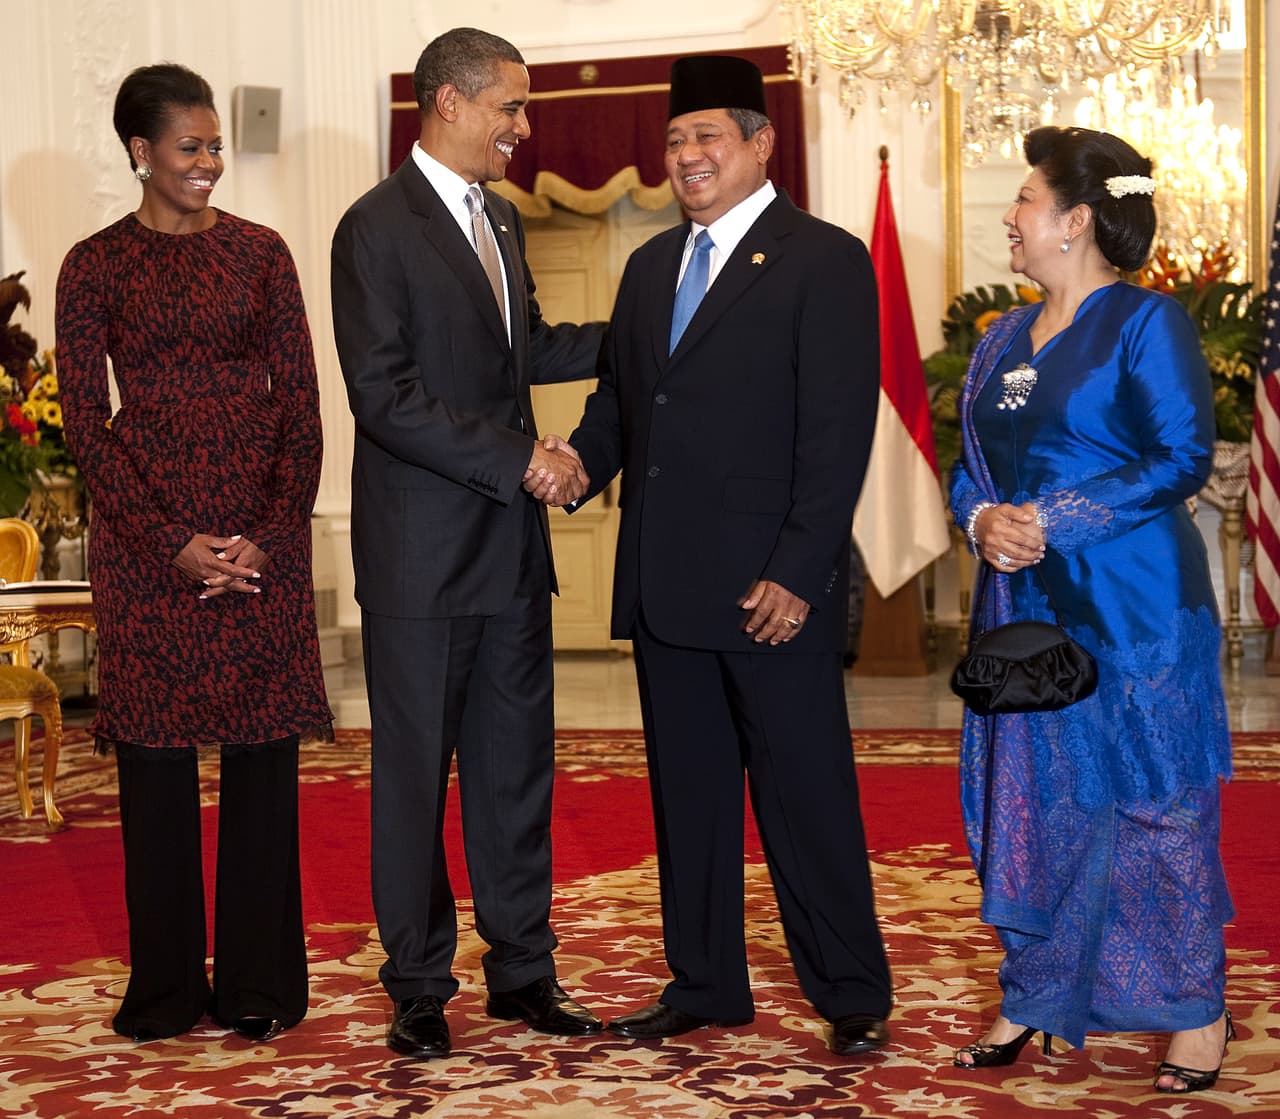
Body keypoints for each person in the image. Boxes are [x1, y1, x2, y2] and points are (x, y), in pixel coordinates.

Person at [532, 54, 893, 1057]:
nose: (686, 157)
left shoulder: (822, 259)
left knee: (803, 793)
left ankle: (850, 988)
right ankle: (703, 983)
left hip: (767, 593)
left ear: (759, 143)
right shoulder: (650, 267)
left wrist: (799, 570)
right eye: (675, 140)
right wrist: (571, 465)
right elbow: (620, 405)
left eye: (707, 138)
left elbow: (834, 436)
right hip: (663, 589)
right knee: (686, 801)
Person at [329, 27, 606, 1060]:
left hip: (507, 554)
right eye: (510, 108)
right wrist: (521, 459)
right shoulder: (373, 229)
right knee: (413, 778)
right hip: (419, 560)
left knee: (512, 774)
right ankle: (415, 985)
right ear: (446, 102)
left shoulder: (500, 216)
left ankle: (522, 973)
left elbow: (525, 348)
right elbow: (383, 397)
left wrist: (652, 326)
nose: (522, 131)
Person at [948, 126, 1234, 1094]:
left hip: (1133, 606)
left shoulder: (1147, 326)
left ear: (1073, 222)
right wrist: (984, 518)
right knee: (1029, 805)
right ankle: (1028, 994)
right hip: (1020, 607)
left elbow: (1177, 459)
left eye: (1023, 201)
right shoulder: (995, 341)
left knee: (1157, 806)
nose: (1009, 218)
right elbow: (969, 473)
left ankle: (1192, 1011)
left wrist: (1053, 520)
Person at [54, 62, 333, 1044]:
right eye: (191, 146)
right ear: (141, 152)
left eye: (216, 145)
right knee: (156, 775)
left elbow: (301, 408)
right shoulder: (92, 265)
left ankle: (260, 986)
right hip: (145, 548)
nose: (211, 162)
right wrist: (171, 544)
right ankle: (166, 991)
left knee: (262, 769)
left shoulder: (263, 253)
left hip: (259, 538)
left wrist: (268, 530)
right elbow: (86, 425)